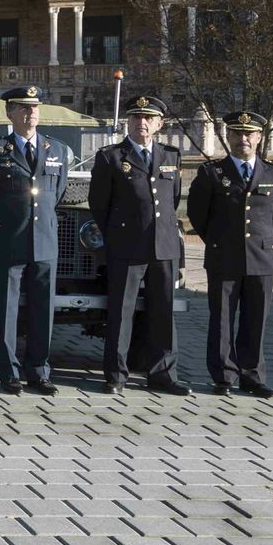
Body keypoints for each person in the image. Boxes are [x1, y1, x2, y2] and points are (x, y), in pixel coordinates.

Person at [88, 95, 189, 396]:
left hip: (164, 245)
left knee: (163, 312)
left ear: (159, 124)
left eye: (148, 118)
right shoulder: (110, 157)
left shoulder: (171, 157)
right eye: (135, 117)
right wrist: (118, 235)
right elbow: (99, 204)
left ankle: (163, 375)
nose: (141, 123)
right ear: (127, 122)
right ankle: (116, 375)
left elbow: (172, 200)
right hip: (127, 245)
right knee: (122, 312)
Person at [0, 86, 71, 395]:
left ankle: (39, 371)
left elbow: (57, 193)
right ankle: (7, 370)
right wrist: (8, 220)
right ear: (9, 113)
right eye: (23, 108)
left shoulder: (55, 149)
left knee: (43, 307)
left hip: (44, 240)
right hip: (9, 238)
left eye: (34, 108)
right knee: (7, 306)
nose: (31, 113)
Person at [187, 110, 273, 398]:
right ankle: (223, 376)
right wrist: (221, 240)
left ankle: (253, 376)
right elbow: (198, 215)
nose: (243, 139)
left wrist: (258, 241)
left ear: (258, 137)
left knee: (256, 319)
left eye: (249, 134)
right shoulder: (211, 174)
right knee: (221, 318)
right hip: (223, 256)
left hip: (261, 257)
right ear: (228, 136)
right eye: (237, 133)